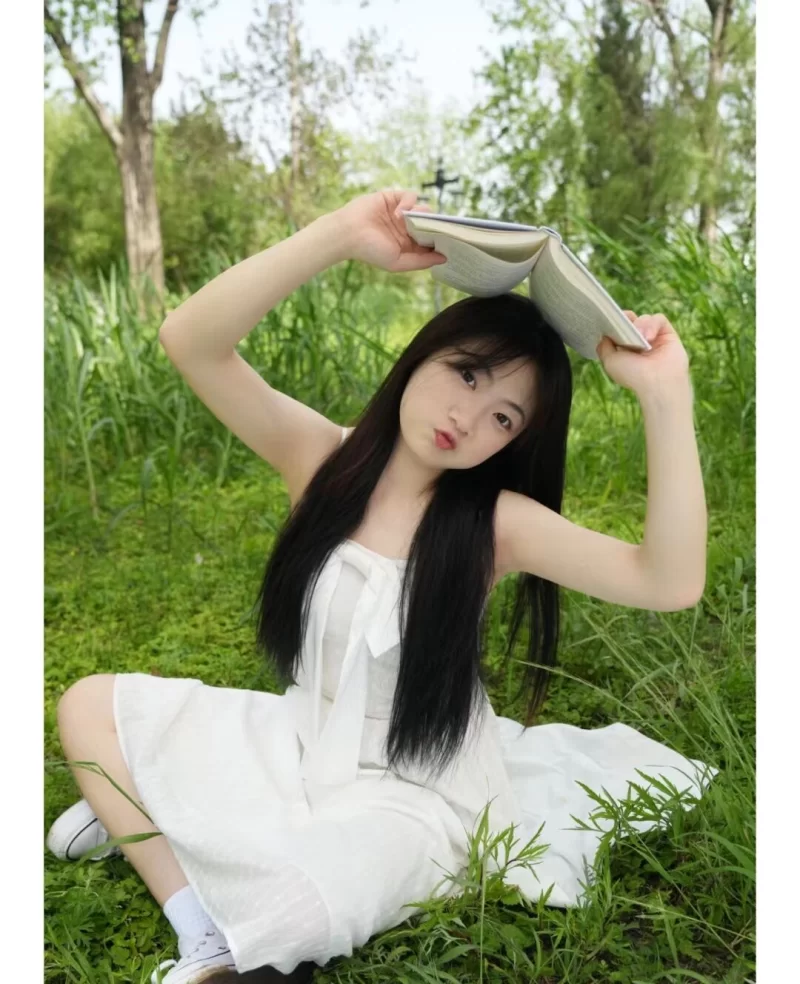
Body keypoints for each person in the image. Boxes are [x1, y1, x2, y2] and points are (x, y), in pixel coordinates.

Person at [46, 189, 716, 984]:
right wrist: (339, 235)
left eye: (505, 418)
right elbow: (190, 341)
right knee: (86, 704)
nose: (468, 417)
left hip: (413, 793)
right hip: (300, 741)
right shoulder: (320, 461)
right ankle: (201, 924)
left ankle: (171, 819)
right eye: (466, 374)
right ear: (421, 356)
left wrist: (665, 395)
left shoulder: (495, 524)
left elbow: (668, 580)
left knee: (300, 904)